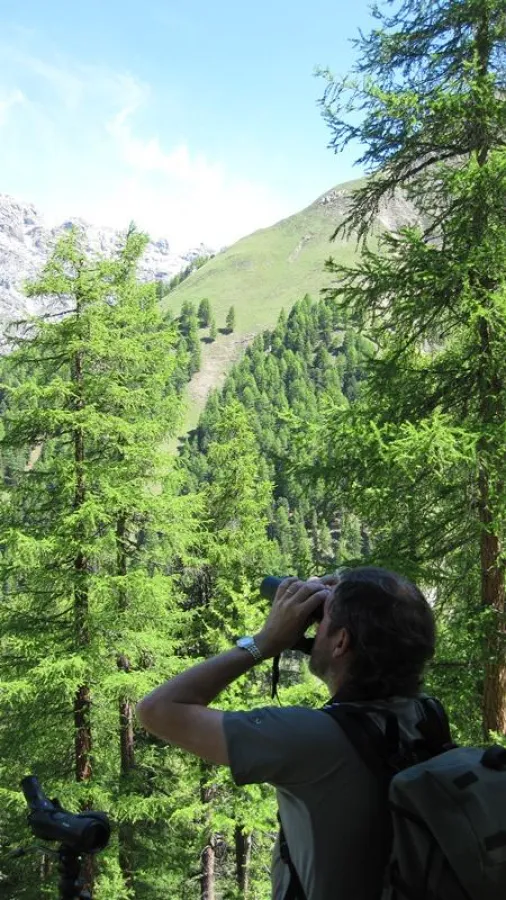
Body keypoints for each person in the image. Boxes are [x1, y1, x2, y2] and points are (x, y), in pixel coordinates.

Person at [136, 566, 438, 900]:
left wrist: (265, 642)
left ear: (341, 642)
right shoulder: (426, 715)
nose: (313, 622)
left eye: (321, 618)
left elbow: (157, 710)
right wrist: (346, 602)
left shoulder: (311, 739)